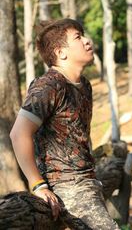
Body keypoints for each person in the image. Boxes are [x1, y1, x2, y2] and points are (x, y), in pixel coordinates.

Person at [10, 18, 120, 229]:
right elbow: (18, 134)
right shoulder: (48, 85)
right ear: (61, 52)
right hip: (66, 187)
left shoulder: (84, 85)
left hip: (88, 181)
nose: (87, 41)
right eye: (78, 38)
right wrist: (38, 185)